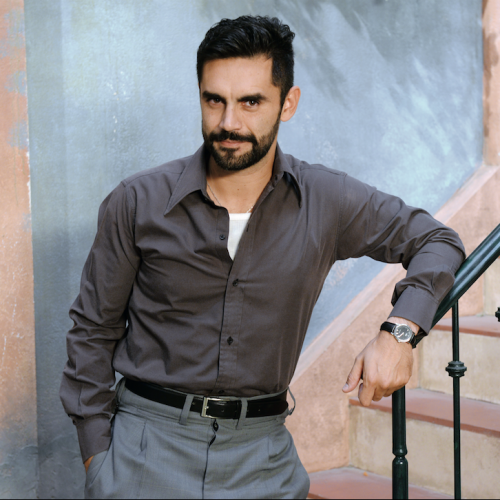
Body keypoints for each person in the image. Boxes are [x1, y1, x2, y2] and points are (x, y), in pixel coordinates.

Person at [60, 15, 465, 499]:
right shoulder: (137, 202)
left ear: (287, 103)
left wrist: (399, 332)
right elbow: (92, 330)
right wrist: (98, 461)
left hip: (265, 459)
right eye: (215, 100)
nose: (229, 123)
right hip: (145, 456)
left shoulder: (326, 200)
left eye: (251, 102)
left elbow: (437, 240)